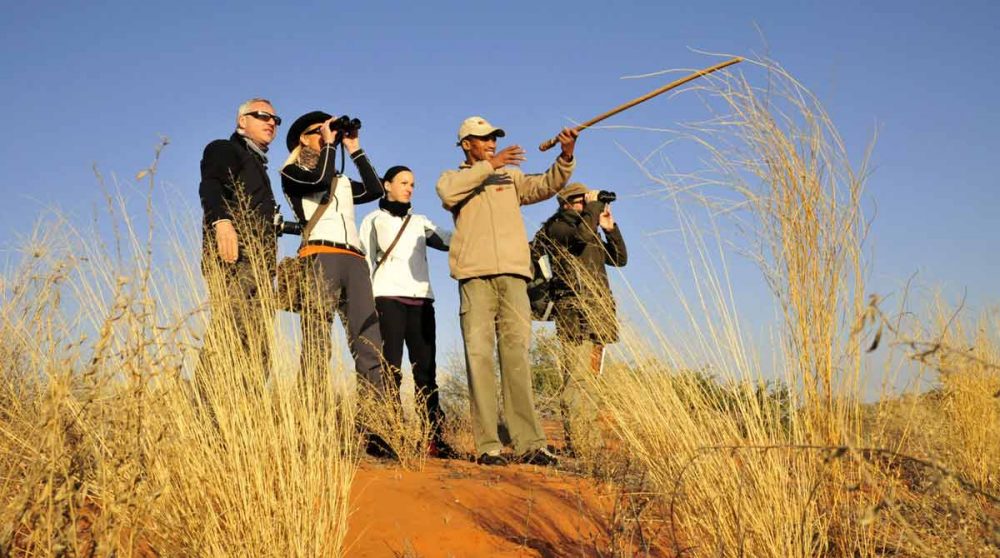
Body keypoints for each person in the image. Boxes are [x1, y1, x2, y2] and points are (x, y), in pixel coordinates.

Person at [436, 115, 579, 466]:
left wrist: (565, 156)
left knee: (517, 358)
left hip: (515, 276)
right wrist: (488, 166)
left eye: (494, 139)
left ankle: (529, 443)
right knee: (480, 358)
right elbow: (447, 194)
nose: (492, 143)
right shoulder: (453, 178)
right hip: (475, 277)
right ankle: (488, 446)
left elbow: (545, 186)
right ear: (466, 143)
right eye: (484, 139)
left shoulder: (511, 177)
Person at [279, 110, 391, 455]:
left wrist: (354, 149)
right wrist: (330, 146)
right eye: (319, 132)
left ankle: (375, 432)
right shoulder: (292, 172)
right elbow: (317, 181)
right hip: (319, 256)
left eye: (330, 132)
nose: (327, 137)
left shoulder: (340, 176)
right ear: (303, 138)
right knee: (317, 345)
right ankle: (310, 429)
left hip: (354, 260)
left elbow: (374, 190)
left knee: (369, 345)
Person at [359, 165, 457, 459]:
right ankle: (386, 436)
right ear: (387, 185)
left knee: (425, 372)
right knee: (390, 369)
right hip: (387, 297)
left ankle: (433, 440)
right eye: (403, 182)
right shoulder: (373, 220)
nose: (409, 188)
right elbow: (365, 259)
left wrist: (467, 218)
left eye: (412, 184)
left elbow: (449, 241)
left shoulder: (420, 221)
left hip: (422, 300)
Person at [197, 97, 281, 397]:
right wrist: (221, 222)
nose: (271, 122)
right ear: (242, 121)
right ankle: (205, 409)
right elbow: (211, 185)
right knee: (229, 333)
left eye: (275, 119)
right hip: (234, 257)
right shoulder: (225, 148)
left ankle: (247, 413)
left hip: (259, 265)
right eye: (262, 116)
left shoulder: (257, 164)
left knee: (258, 344)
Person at [540, 183, 628, 456]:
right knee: (576, 380)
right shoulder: (558, 228)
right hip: (573, 313)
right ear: (567, 203)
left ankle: (589, 444)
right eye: (582, 200)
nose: (588, 203)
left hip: (598, 313)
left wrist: (610, 229)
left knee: (592, 380)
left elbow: (619, 259)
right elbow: (579, 236)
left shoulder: (588, 230)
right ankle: (579, 443)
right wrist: (592, 209)